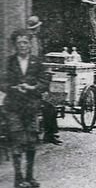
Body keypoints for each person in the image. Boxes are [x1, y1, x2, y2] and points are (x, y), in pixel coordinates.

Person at [3, 29, 50, 188]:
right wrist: (14, 88)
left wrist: (32, 87)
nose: (22, 45)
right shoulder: (9, 62)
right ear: (15, 45)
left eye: (25, 42)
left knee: (31, 141)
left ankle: (30, 177)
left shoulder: (37, 62)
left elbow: (44, 83)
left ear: (30, 45)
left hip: (31, 108)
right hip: (14, 107)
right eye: (19, 42)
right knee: (17, 141)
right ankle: (18, 179)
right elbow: (2, 82)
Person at [25, 16, 60, 146]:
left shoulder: (33, 39)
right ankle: (50, 134)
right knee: (50, 105)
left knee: (49, 104)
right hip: (31, 85)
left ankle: (50, 134)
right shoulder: (32, 40)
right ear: (36, 27)